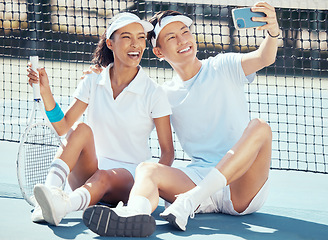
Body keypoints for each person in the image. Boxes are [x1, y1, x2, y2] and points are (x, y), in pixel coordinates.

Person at [82, 1, 279, 237]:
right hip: (198, 177)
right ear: (158, 51)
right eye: (172, 37)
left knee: (260, 127)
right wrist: (100, 78)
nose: (183, 40)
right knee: (147, 169)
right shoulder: (161, 94)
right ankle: (135, 214)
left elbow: (265, 57)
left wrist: (273, 31)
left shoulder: (223, 66)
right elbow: (122, 111)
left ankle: (188, 202)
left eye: (185, 32)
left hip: (241, 188)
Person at [27, 12, 174, 233]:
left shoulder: (155, 93)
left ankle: (63, 206)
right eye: (126, 37)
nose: (136, 44)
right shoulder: (93, 80)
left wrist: (150, 186)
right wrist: (46, 92)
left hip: (131, 180)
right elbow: (63, 127)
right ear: (110, 43)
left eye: (141, 37)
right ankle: (49, 196)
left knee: (104, 176)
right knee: (80, 129)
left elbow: (168, 153)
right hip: (88, 173)